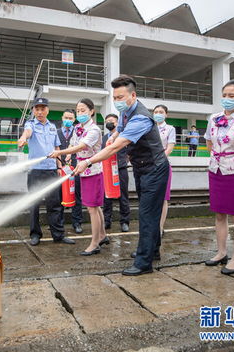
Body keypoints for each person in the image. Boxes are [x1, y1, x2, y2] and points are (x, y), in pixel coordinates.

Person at [75, 75, 169, 275]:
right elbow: (120, 130)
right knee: (149, 212)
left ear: (132, 95)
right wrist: (114, 135)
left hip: (155, 168)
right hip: (142, 168)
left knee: (147, 214)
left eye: (120, 97)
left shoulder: (141, 117)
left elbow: (116, 148)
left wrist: (88, 161)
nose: (117, 101)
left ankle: (144, 263)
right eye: (115, 97)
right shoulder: (128, 111)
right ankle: (152, 251)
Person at [49, 98, 107, 256]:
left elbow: (82, 146)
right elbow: (73, 144)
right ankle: (102, 235)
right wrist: (67, 156)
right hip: (83, 170)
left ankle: (95, 243)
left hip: (93, 170)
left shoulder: (94, 130)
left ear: (92, 111)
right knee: (95, 206)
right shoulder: (78, 128)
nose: (80, 113)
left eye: (83, 110)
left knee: (92, 208)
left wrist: (59, 152)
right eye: (78, 111)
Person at [204, 79, 234, 275]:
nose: (227, 99)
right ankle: (221, 252)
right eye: (224, 95)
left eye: (232, 96)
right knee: (219, 214)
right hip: (216, 169)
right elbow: (208, 144)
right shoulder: (213, 118)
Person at [17, 97, 75, 246]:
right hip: (35, 171)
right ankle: (35, 235)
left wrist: (59, 167)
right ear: (33, 111)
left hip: (51, 171)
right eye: (37, 109)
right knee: (34, 204)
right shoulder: (30, 124)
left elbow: (56, 148)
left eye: (43, 109)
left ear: (47, 110)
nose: (40, 111)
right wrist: (23, 138)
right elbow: (27, 133)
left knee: (54, 204)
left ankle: (58, 235)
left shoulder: (52, 127)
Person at [102, 113, 131, 232]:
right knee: (107, 197)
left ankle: (124, 222)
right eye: (107, 121)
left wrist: (123, 161)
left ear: (117, 123)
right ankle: (106, 221)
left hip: (120, 169)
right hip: (107, 171)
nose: (109, 122)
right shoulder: (104, 138)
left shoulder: (123, 136)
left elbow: (129, 151)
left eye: (112, 121)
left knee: (123, 196)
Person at [57, 109, 83, 234]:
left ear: (74, 119)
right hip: (60, 169)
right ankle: (59, 223)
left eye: (71, 118)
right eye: (66, 117)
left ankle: (77, 222)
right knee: (59, 196)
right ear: (62, 118)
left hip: (76, 168)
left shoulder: (78, 132)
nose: (68, 120)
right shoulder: (56, 132)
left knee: (77, 195)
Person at [153, 105, 175, 236]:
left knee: (163, 199)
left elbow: (169, 148)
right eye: (156, 112)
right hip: (149, 166)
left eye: (161, 112)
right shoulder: (149, 128)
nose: (158, 114)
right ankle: (152, 226)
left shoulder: (170, 129)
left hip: (162, 165)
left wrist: (158, 159)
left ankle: (160, 227)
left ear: (166, 114)